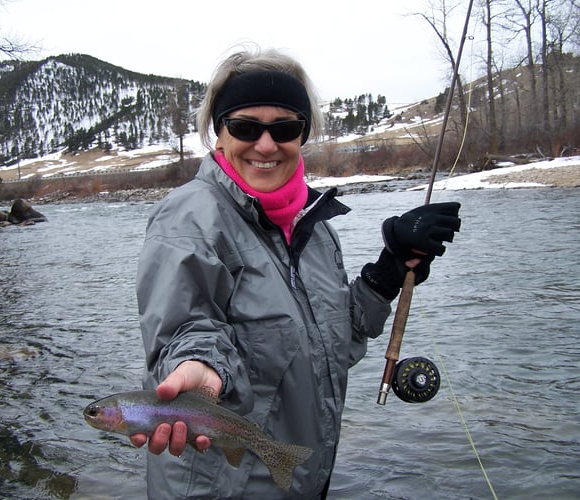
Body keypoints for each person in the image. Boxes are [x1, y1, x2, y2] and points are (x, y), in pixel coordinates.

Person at [130, 45, 461, 499]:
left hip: (300, 478)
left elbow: (333, 344)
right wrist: (200, 366)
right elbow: (185, 327)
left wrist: (385, 274)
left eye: (284, 127)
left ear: (302, 134)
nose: (266, 145)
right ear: (218, 132)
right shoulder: (188, 219)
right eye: (245, 126)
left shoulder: (314, 225)